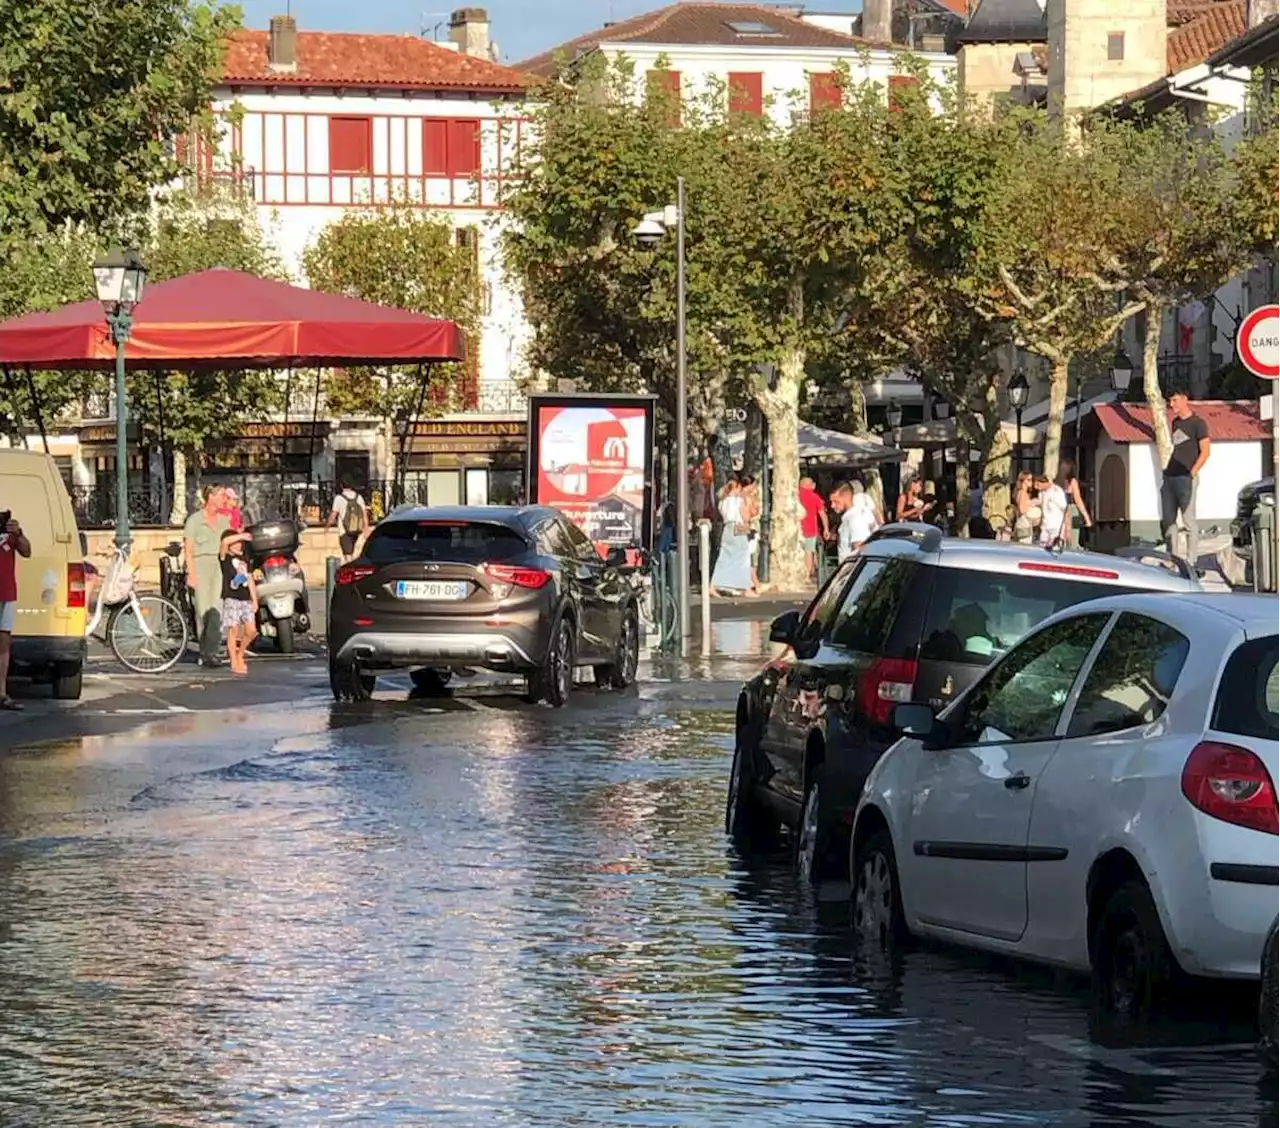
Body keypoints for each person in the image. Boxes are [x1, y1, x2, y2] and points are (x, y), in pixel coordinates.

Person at [1161, 392, 1210, 567]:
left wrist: (1192, 473)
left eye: (1174, 400)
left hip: (1186, 478)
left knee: (1188, 520)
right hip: (1170, 477)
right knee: (1168, 520)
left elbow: (1205, 452)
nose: (1171, 404)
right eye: (1170, 401)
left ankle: (1191, 561)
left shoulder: (1198, 424)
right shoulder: (1175, 423)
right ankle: (1171, 559)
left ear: (1184, 400)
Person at [184, 484, 231, 667]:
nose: (224, 499)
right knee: (203, 611)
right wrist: (192, 573)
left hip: (218, 566)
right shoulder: (194, 520)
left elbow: (227, 545)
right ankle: (204, 652)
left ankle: (211, 651)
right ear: (210, 496)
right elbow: (188, 550)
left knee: (217, 610)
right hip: (200, 565)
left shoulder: (223, 521)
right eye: (221, 495)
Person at [0, 512, 31, 710]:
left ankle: (1, 693)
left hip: (6, 592)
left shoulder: (10, 533)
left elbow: (27, 551)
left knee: (3, 642)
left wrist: (18, 533)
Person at [218, 530, 259, 676]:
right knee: (233, 630)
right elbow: (224, 542)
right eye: (234, 542)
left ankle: (240, 653)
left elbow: (249, 579)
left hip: (245, 598)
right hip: (232, 597)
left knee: (251, 630)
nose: (238, 544)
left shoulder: (245, 559)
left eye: (239, 542)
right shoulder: (225, 558)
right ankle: (234, 660)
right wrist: (241, 535)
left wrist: (255, 599)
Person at [710, 478, 752, 596]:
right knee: (744, 557)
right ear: (737, 488)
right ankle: (746, 588)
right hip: (738, 527)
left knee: (724, 557)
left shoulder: (722, 502)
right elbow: (745, 517)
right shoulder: (738, 500)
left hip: (727, 528)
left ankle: (713, 585)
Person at [835, 481, 879, 560]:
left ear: (846, 497)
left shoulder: (855, 518)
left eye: (836, 502)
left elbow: (859, 549)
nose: (832, 505)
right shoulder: (864, 505)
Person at [798, 477, 830, 581]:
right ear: (813, 485)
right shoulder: (815, 497)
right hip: (810, 530)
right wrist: (826, 529)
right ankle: (807, 575)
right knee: (809, 551)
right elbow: (822, 514)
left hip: (797, 529)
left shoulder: (795, 496)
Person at [328, 481, 369, 561]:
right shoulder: (358, 497)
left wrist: (327, 526)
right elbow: (364, 514)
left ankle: (350, 571)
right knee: (351, 552)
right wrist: (366, 528)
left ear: (341, 485)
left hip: (344, 531)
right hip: (356, 530)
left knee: (348, 556)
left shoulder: (339, 498)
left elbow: (333, 515)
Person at [1056, 458, 1092, 548]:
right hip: (1071, 510)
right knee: (1073, 539)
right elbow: (1078, 500)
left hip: (1059, 511)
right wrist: (1086, 517)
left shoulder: (1056, 481)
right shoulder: (1072, 482)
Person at [1035, 472, 1070, 548]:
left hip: (1056, 527)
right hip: (1045, 526)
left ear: (1044, 483)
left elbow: (1065, 510)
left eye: (1038, 485)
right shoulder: (1041, 493)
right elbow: (1043, 509)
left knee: (1055, 549)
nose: (1036, 487)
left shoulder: (1057, 491)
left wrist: (1067, 528)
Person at [741, 474, 762, 596]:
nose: (755, 488)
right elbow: (753, 512)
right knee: (752, 558)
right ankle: (754, 582)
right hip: (751, 528)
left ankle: (753, 582)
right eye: (754, 485)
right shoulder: (747, 497)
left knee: (749, 557)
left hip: (744, 529)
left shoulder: (739, 496)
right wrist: (756, 507)